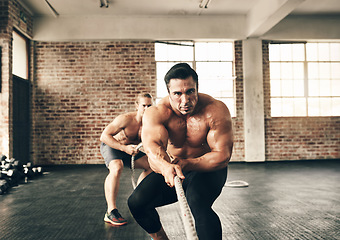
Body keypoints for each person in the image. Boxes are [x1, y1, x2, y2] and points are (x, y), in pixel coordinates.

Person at [128, 63, 233, 240]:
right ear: (168, 93)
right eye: (177, 94)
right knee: (136, 202)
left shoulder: (215, 110)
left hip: (206, 169)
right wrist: (164, 166)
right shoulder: (157, 113)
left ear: (197, 89)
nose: (185, 100)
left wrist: (187, 163)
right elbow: (152, 147)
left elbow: (222, 156)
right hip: (174, 168)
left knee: (197, 202)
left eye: (190, 92)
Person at [100, 93, 153, 226]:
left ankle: (138, 198)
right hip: (113, 146)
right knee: (117, 167)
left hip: (130, 150)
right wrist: (124, 148)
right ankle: (111, 211)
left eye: (149, 105)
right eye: (143, 105)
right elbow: (104, 136)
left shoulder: (151, 123)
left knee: (152, 166)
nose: (146, 108)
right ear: (137, 106)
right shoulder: (126, 119)